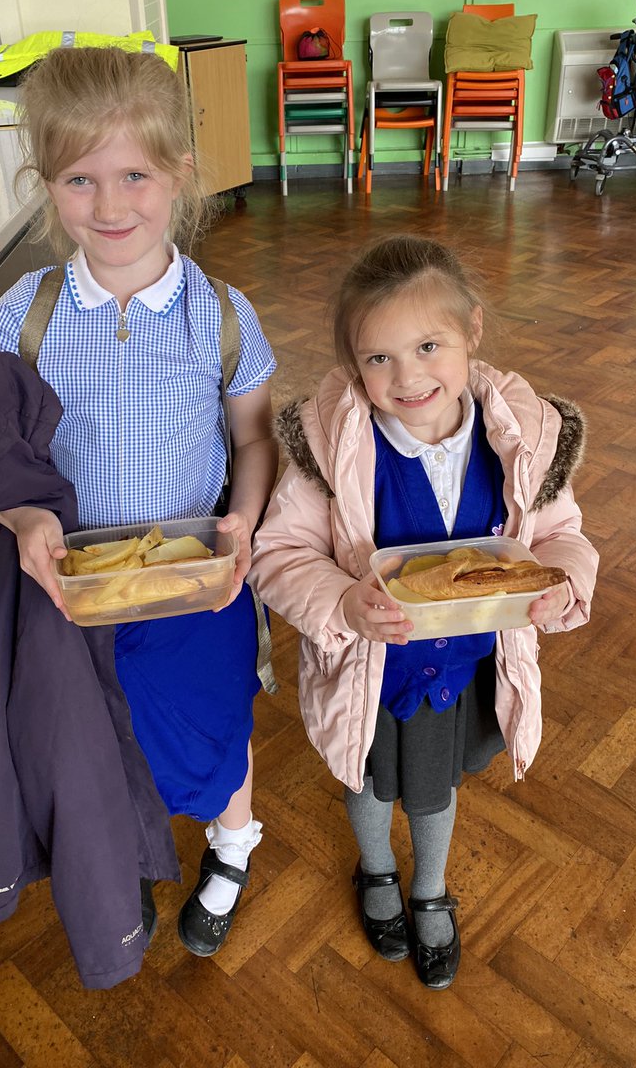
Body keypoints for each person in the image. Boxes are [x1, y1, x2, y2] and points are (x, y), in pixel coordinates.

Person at [0, 45, 279, 957]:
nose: (109, 206)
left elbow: (255, 437)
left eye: (135, 174)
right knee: (106, 738)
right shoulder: (23, 313)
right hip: (75, 588)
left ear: (181, 176)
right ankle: (128, 859)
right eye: (79, 179)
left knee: (215, 723)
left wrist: (246, 519)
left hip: (197, 581)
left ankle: (232, 846)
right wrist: (24, 519)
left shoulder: (221, 313)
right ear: (45, 183)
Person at [249, 235, 598, 989]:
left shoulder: (522, 438)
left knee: (436, 786)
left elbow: (563, 535)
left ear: (472, 330)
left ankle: (430, 886)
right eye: (378, 359)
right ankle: (376, 872)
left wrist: (562, 582)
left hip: (466, 666)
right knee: (369, 778)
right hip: (368, 664)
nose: (407, 376)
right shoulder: (327, 445)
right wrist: (343, 601)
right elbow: (278, 554)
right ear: (351, 363)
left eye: (429, 345)